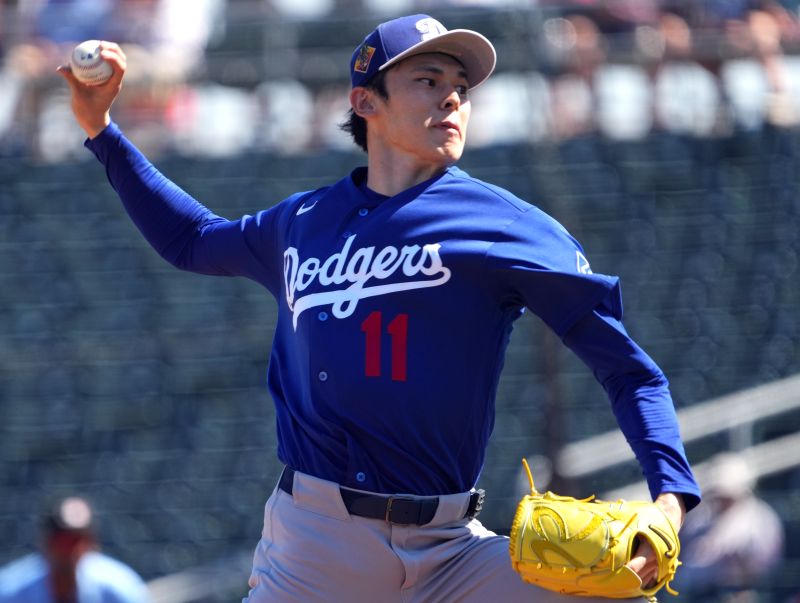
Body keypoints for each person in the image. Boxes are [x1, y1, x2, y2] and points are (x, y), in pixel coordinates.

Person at [57, 14, 701, 602]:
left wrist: (669, 502)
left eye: (461, 87)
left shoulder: (510, 228)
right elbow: (192, 239)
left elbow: (629, 369)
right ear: (366, 102)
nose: (453, 97)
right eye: (428, 79)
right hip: (316, 545)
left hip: (452, 551)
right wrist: (101, 131)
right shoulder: (302, 223)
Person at [673, 452, 784, 600]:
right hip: (695, 592)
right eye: (717, 494)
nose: (721, 500)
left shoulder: (761, 520)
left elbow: (764, 565)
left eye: (726, 495)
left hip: (740, 592)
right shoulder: (700, 514)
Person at [0, 496, 151, 603]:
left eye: (77, 541)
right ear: (45, 542)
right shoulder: (11, 591)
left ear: (92, 544)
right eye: (62, 541)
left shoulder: (119, 588)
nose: (70, 551)